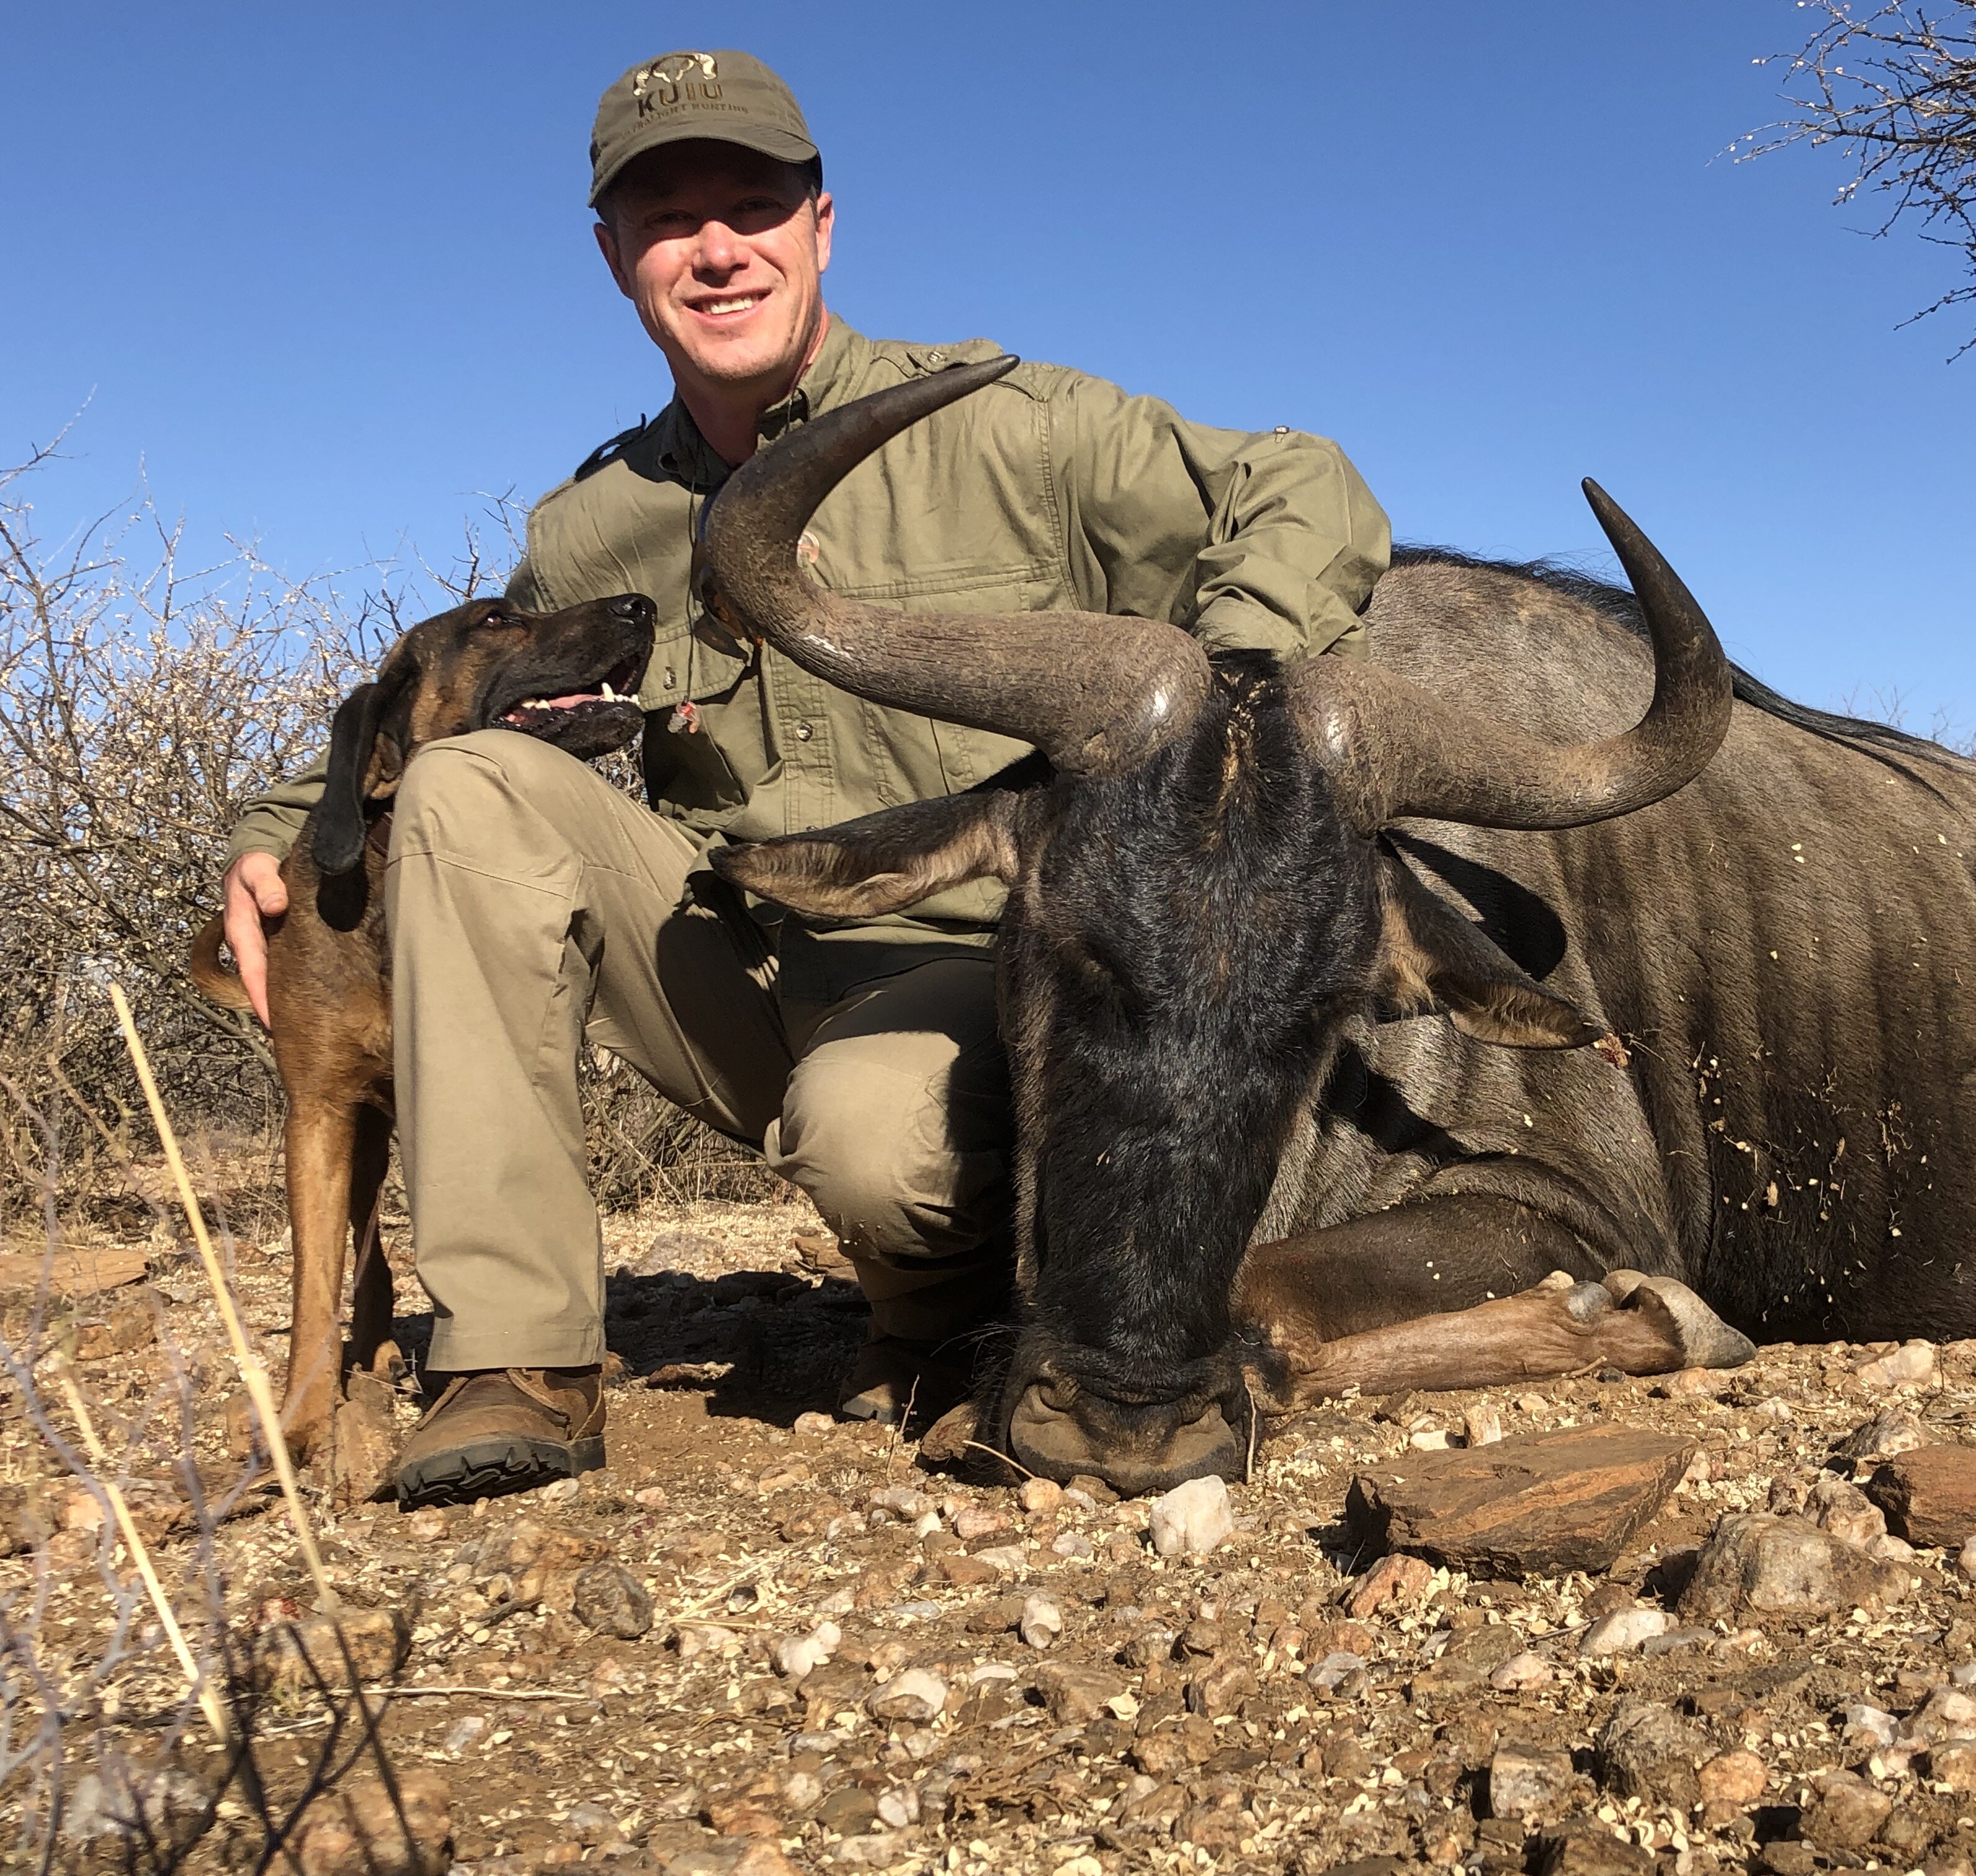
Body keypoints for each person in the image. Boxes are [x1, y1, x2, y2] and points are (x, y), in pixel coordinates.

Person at [220, 47, 1390, 1506]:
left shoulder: (1013, 424)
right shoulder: (593, 525)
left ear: (820, 227)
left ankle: (977, 1319)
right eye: (667, 219)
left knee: (870, 1141)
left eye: (751, 207)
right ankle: (515, 1357)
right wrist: (281, 830)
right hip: (745, 960)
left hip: (996, 979)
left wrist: (1227, 690)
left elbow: (1308, 483)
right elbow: (459, 688)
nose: (716, 251)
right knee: (473, 792)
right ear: (615, 260)